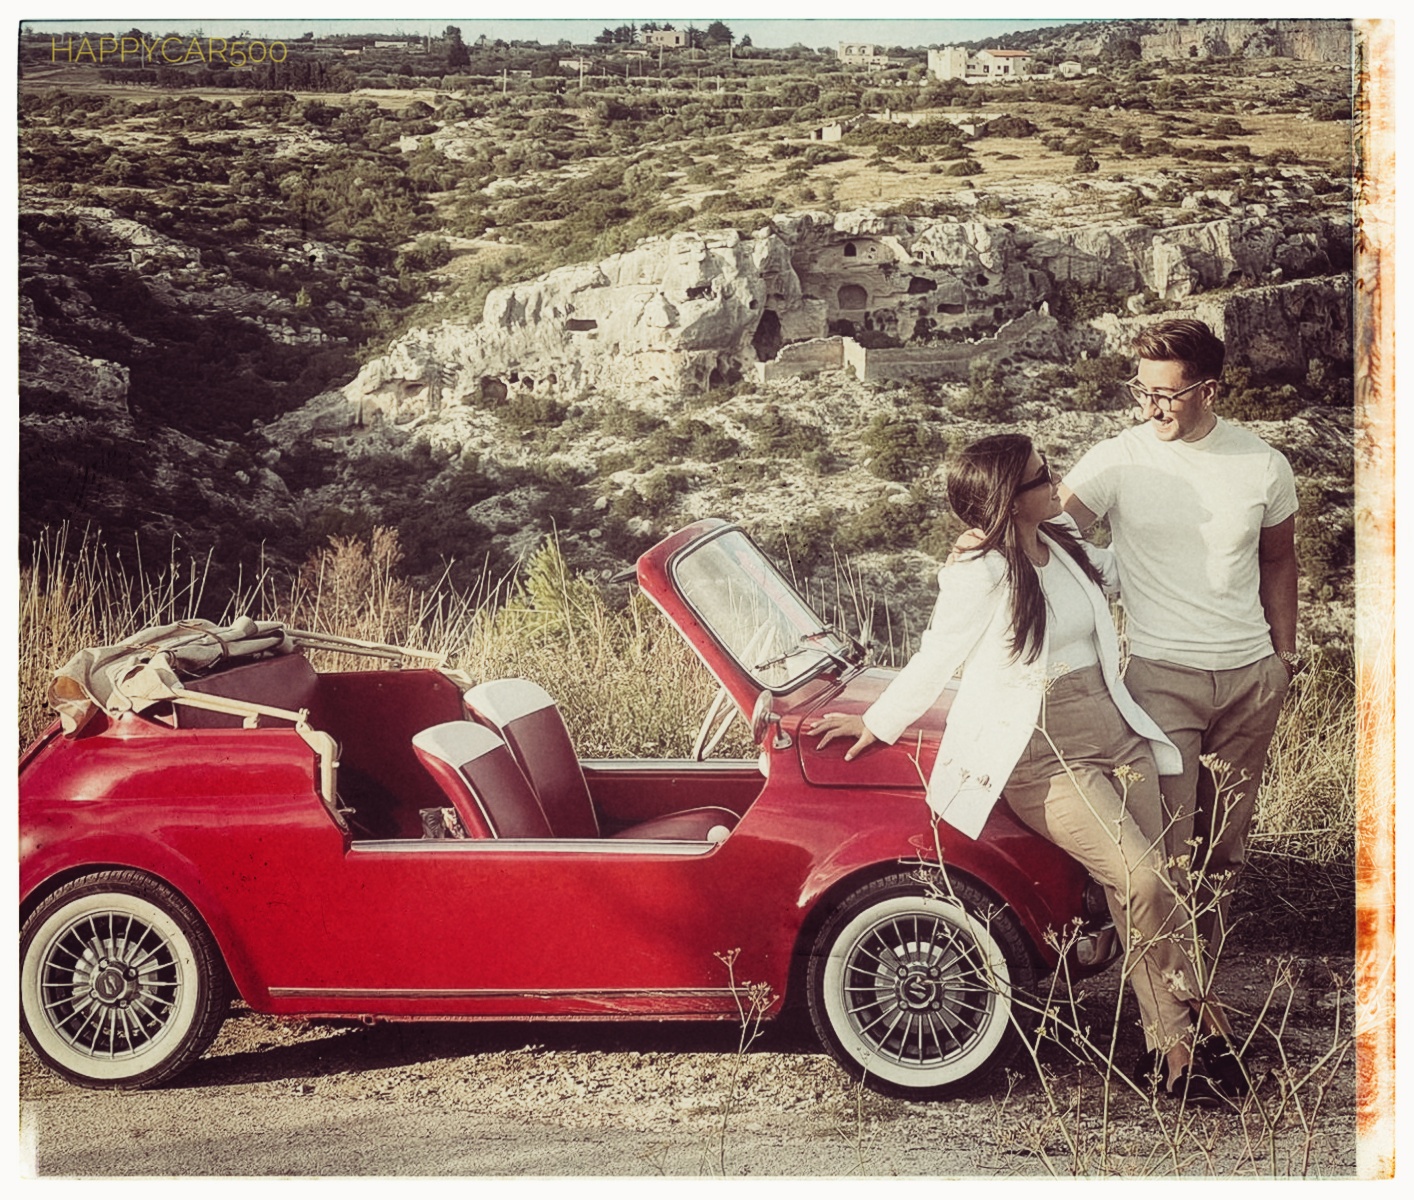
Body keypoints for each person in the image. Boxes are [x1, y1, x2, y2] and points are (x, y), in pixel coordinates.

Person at [810, 434, 1235, 1102]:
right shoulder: (976, 574)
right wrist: (877, 721)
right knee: (1142, 876)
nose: (1055, 483)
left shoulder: (1060, 542)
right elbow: (934, 656)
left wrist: (1198, 520)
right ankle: (1190, 1025)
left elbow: (1120, 572)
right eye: (1043, 477)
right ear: (1012, 497)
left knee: (1156, 891)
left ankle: (1176, 1046)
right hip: (1040, 751)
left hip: (1116, 730)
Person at [1058, 318, 1299, 978]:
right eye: (1141, 391)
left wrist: (1284, 657)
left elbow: (1280, 562)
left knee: (1224, 850)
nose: (1150, 406)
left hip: (1252, 681)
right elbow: (1045, 528)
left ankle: (1202, 984)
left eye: (1166, 393)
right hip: (1162, 681)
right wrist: (987, 540)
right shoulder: (1119, 458)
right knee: (1167, 848)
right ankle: (1172, 1010)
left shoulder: (1263, 464)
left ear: (1210, 390)